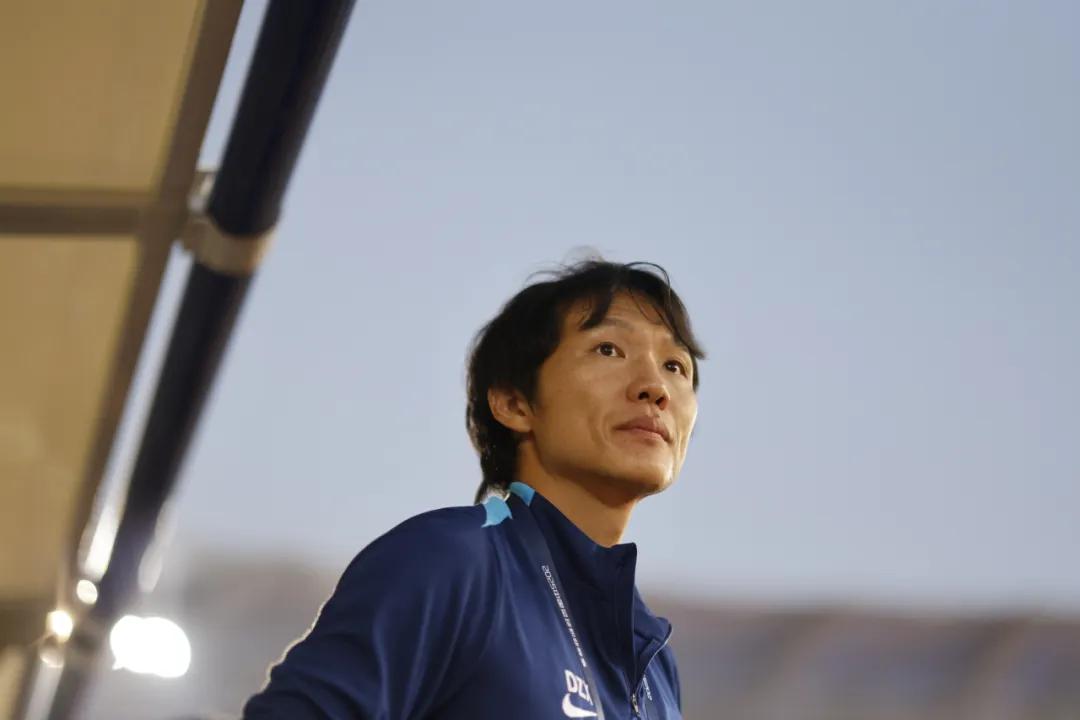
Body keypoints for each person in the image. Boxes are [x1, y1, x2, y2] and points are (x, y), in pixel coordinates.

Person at [242, 259, 704, 719]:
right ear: (514, 403)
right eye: (608, 349)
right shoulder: (451, 560)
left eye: (675, 366)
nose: (655, 388)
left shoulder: (656, 666)